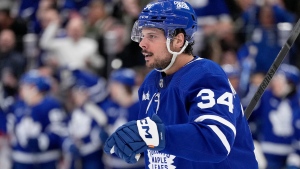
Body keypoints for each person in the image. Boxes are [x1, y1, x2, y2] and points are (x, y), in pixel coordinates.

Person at [103, 0, 258, 168]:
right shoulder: (149, 83)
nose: (142, 43)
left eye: (152, 36)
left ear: (177, 41)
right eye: (142, 35)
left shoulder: (205, 75)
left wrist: (155, 135)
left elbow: (215, 141)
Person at [248, 63, 300, 169]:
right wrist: (253, 144)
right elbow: (247, 118)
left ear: (290, 85)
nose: (274, 83)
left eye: (279, 80)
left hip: (289, 155)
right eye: (275, 79)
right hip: (265, 154)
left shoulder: (296, 101)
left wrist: (297, 154)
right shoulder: (265, 96)